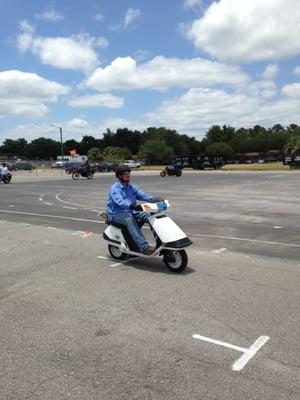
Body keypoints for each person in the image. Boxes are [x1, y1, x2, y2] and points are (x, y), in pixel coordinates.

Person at [107, 165, 163, 255]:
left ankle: (161, 240)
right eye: (125, 174)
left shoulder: (131, 187)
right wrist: (131, 206)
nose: (128, 176)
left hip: (131, 211)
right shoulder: (114, 188)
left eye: (129, 173)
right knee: (130, 220)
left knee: (152, 217)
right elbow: (119, 201)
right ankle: (144, 247)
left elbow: (142, 195)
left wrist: (153, 199)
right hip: (116, 214)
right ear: (119, 176)